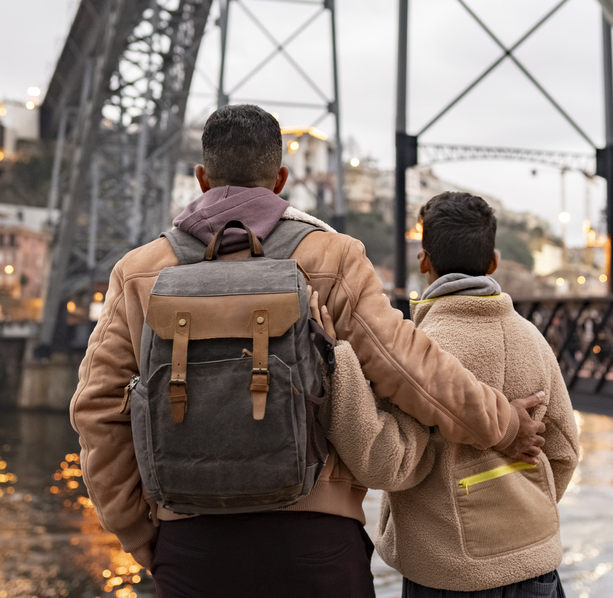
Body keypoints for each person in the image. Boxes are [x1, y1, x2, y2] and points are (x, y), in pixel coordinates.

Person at [70, 104, 547, 598]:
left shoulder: (140, 270)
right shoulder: (332, 257)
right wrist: (504, 425)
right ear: (280, 179)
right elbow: (408, 367)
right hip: (316, 544)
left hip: (191, 543)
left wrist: (138, 532)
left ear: (200, 178)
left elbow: (97, 408)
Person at [325, 191, 580, 598]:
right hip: (537, 566)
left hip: (451, 575)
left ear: (424, 261)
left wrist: (340, 362)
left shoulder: (417, 351)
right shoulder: (533, 340)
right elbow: (563, 451)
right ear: (493, 261)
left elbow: (389, 464)